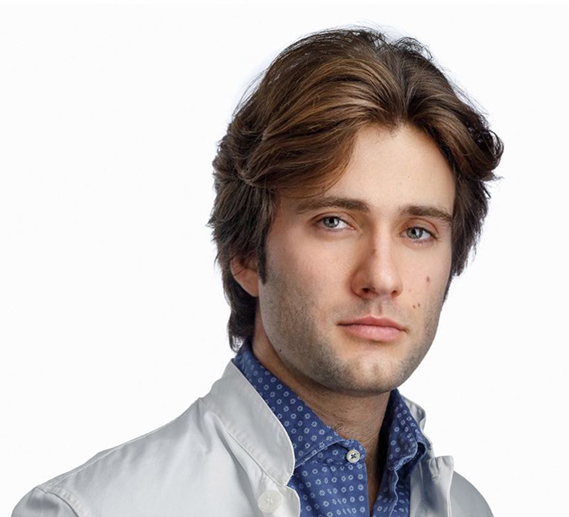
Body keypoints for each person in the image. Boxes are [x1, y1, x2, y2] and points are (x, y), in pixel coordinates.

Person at [12, 27, 503, 517]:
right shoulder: (88, 510)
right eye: (334, 222)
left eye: (417, 231)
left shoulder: (467, 508)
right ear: (245, 253)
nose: (382, 277)